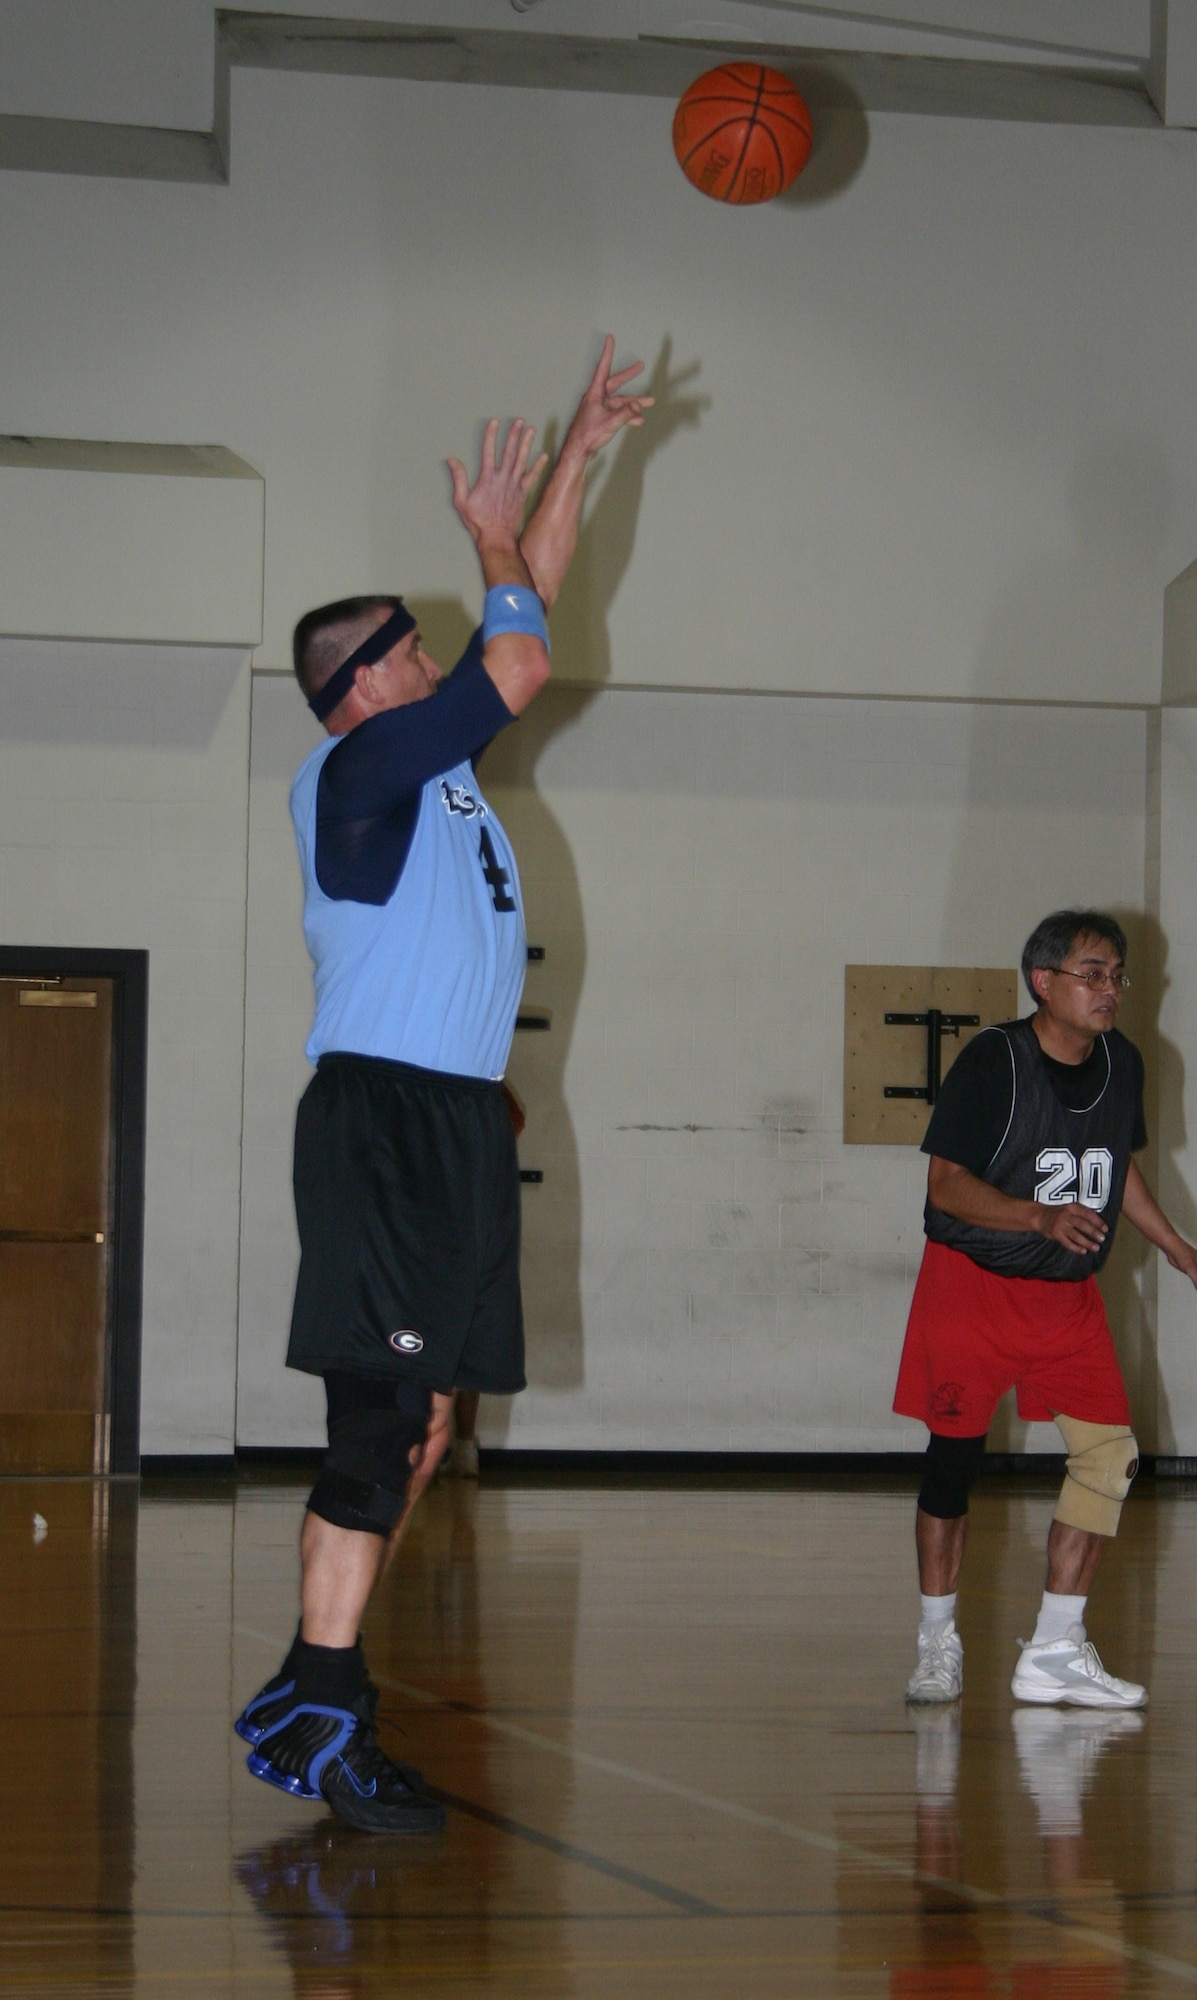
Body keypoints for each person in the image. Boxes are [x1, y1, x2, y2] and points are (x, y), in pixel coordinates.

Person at [233, 340, 653, 1833]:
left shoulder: (434, 770)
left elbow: (512, 640)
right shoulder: (353, 778)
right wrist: (497, 538)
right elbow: (519, 651)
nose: (440, 660)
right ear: (359, 690)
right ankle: (320, 1706)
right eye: (411, 653)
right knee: (376, 1429)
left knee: (420, 1429)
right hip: (385, 1118)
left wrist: (579, 459)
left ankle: (312, 1691)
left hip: (455, 1118)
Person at [894, 909, 1197, 1710]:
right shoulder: (993, 1061)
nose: (1110, 989)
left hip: (1065, 1296)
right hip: (972, 1287)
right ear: (1042, 982)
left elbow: (1113, 1166)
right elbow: (944, 1184)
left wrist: (1175, 1246)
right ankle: (935, 1642)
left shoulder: (1122, 1063)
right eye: (1091, 973)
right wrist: (1035, 1215)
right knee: (952, 1466)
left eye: (1117, 974)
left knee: (1108, 1458)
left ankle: (1054, 1648)